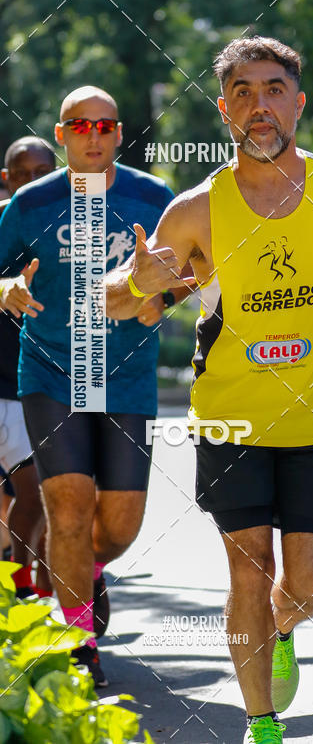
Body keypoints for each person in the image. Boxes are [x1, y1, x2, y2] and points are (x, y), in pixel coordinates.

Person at [105, 36, 313, 744]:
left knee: (310, 588)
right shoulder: (195, 210)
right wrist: (140, 280)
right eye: (244, 93)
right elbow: (125, 303)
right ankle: (262, 724)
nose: (261, 106)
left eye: (274, 89)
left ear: (300, 101)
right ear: (225, 110)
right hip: (228, 421)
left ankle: (281, 630)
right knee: (249, 569)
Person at [0, 87, 176, 687]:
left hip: (124, 376)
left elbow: (194, 267)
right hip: (49, 372)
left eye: (103, 124)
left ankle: (88, 568)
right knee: (68, 509)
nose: (92, 134)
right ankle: (79, 642)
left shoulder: (154, 198)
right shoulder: (28, 204)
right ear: (61, 133)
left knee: (119, 526)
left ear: (119, 132)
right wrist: (6, 291)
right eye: (80, 125)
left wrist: (167, 297)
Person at [0, 137, 56, 596]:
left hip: (31, 392)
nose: (33, 183)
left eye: (44, 173)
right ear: (7, 179)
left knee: (35, 496)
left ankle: (25, 589)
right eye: (24, 174)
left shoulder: (70, 233)